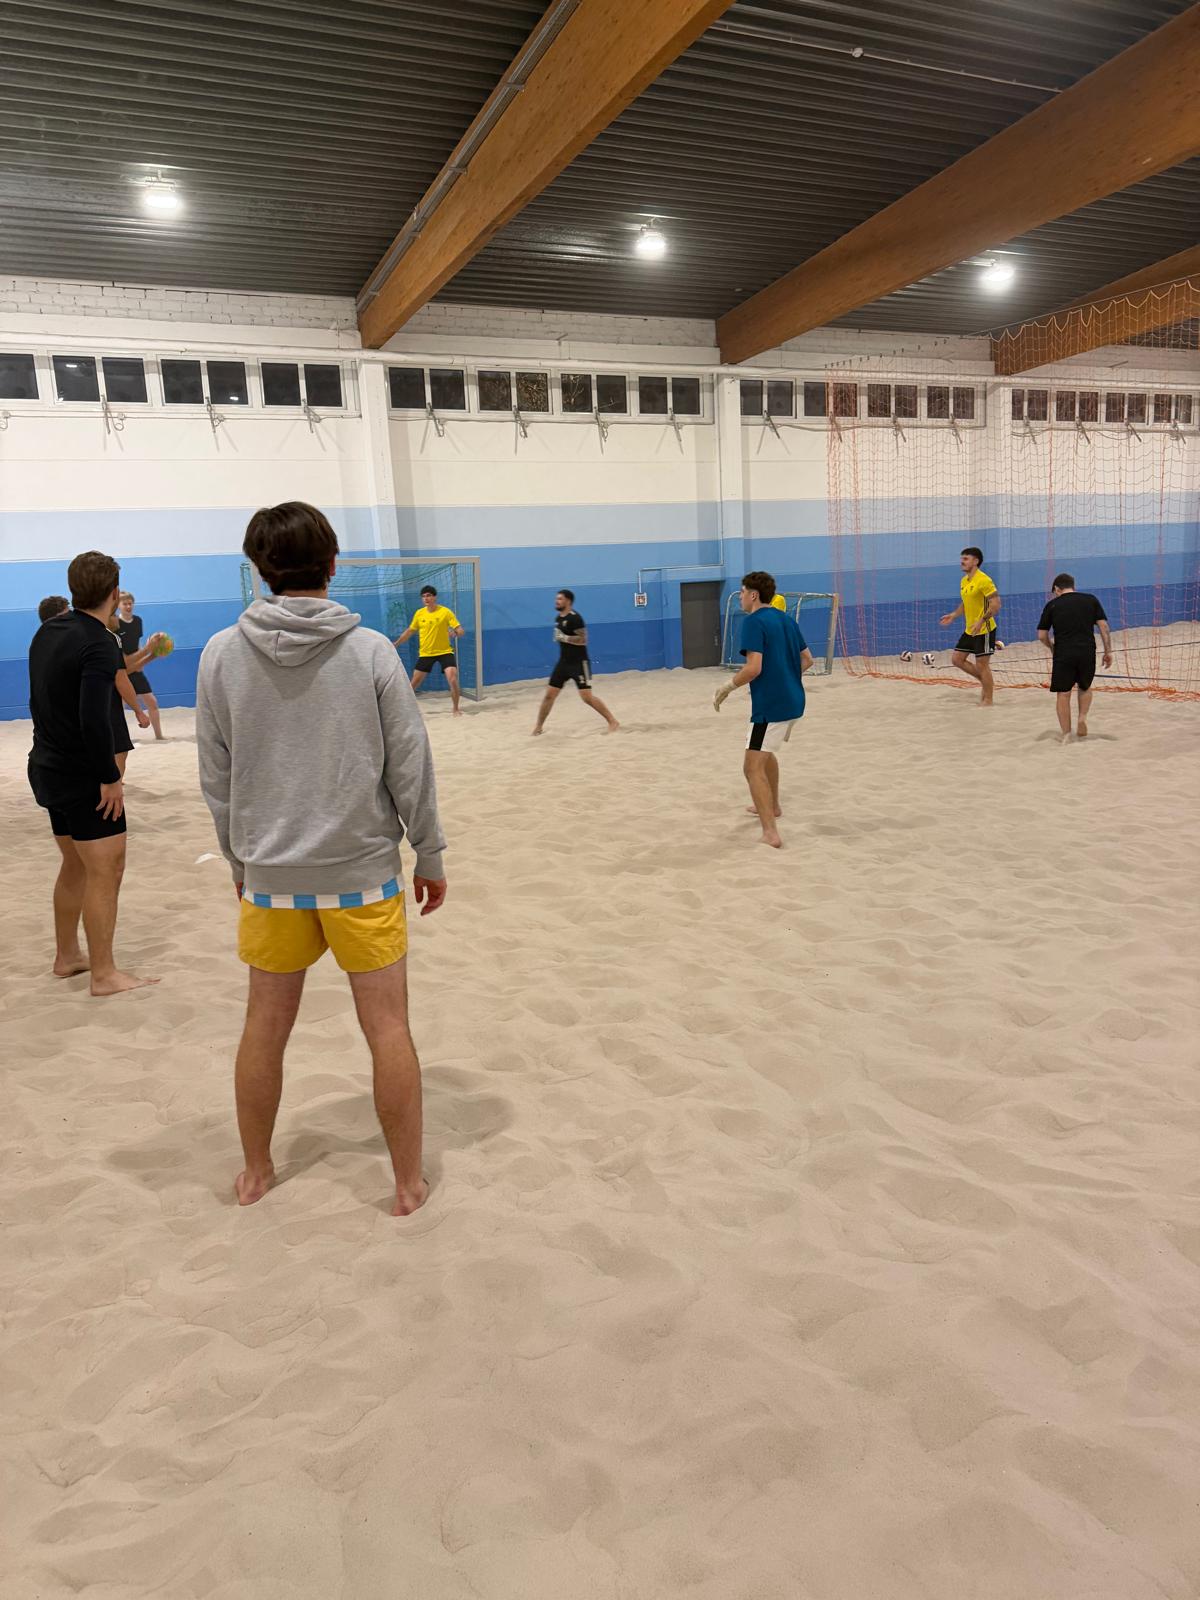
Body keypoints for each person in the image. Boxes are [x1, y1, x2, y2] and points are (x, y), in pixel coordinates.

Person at [196, 501, 447, 1216]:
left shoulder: (220, 655)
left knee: (263, 1027)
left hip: (270, 878)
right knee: (388, 1027)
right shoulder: (370, 651)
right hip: (361, 875)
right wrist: (428, 851)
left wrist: (239, 862)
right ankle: (406, 1184)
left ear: (259, 569)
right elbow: (410, 762)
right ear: (334, 565)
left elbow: (215, 775)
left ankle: (256, 1172)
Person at [27, 551, 156, 995]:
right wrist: (110, 778)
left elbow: (40, 700)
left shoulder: (48, 631)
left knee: (75, 864)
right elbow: (93, 718)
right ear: (114, 593)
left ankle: (68, 956)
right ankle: (104, 973)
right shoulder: (100, 641)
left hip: (47, 765)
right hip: (83, 775)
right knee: (106, 869)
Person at [714, 570, 812, 850]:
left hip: (771, 706)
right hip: (795, 700)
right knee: (766, 753)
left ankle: (770, 832)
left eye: (743, 592)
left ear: (754, 595)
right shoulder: (786, 619)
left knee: (751, 767)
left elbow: (753, 668)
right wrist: (786, 678)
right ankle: (774, 806)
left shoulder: (754, 621)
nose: (740, 597)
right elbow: (808, 660)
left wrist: (727, 687)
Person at [532, 589, 620, 735]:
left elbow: (583, 640)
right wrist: (559, 637)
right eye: (556, 599)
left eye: (560, 599)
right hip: (563, 663)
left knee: (587, 697)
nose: (556, 601)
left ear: (568, 601)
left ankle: (613, 721)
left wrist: (565, 638)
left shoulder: (575, 618)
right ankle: (538, 727)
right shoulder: (558, 618)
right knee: (549, 695)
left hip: (579, 663)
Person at [1037, 574, 1113, 741]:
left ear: (1057, 589)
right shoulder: (1091, 600)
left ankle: (1066, 733)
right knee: (1085, 687)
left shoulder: (1052, 605)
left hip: (1063, 652)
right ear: (1073, 586)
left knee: (1063, 693)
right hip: (1087, 651)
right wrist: (1108, 651)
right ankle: (1082, 718)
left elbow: (1042, 635)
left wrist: (1052, 647)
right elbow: (1104, 626)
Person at [940, 546, 1000, 705]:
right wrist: (954, 615)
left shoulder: (984, 580)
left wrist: (981, 621)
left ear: (976, 561)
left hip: (985, 629)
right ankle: (985, 681)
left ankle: (988, 700)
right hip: (970, 629)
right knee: (957, 659)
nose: (962, 561)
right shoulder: (964, 581)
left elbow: (996, 604)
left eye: (966, 559)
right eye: (962, 558)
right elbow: (966, 603)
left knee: (982, 665)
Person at [393, 584, 465, 716]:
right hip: (426, 654)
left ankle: (456, 709)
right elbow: (410, 631)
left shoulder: (445, 612)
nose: (426, 598)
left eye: (428, 596)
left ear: (434, 597)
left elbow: (460, 630)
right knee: (413, 684)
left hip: (445, 652)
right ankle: (404, 710)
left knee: (453, 679)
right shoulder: (419, 613)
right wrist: (396, 643)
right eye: (423, 596)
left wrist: (455, 632)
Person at [114, 591, 165, 740]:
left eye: (130, 603)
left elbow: (137, 644)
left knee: (152, 702)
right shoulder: (115, 624)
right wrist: (145, 657)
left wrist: (147, 655)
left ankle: (159, 736)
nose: (128, 606)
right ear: (118, 606)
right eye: (125, 603)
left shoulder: (137, 621)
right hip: (122, 668)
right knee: (120, 706)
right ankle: (121, 737)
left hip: (136, 666)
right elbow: (122, 657)